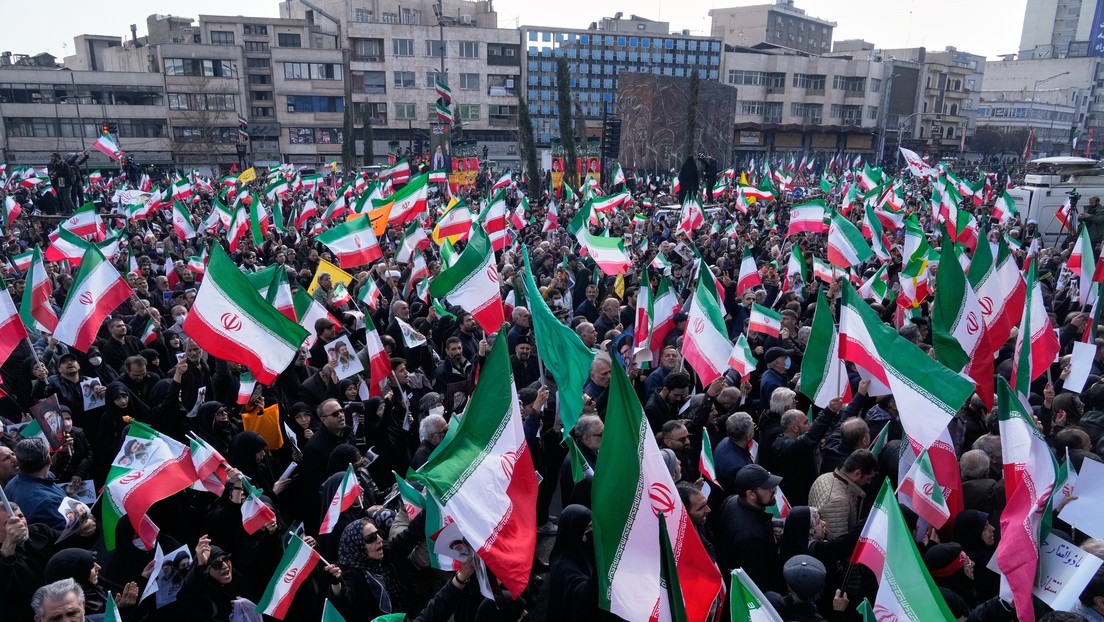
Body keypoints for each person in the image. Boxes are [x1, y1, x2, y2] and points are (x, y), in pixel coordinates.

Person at [716, 464, 784, 592]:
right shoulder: (751, 537)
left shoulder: (731, 500)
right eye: (767, 487)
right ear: (751, 494)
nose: (773, 489)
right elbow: (757, 583)